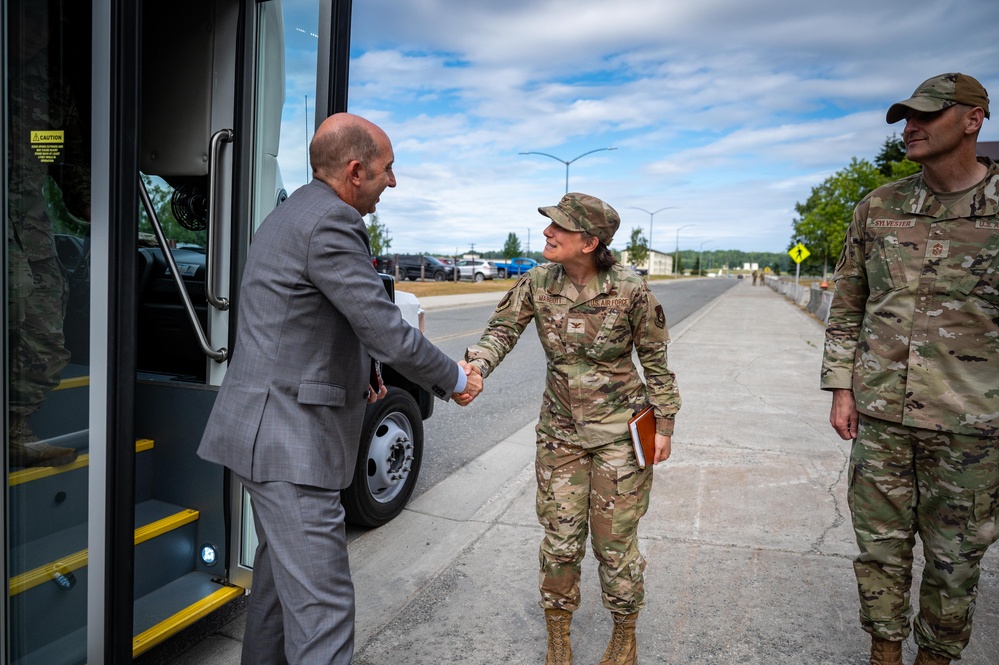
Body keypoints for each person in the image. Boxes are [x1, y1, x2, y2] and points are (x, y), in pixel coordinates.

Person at [197, 112, 482, 665]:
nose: (392, 182)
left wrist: (363, 367)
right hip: (289, 443)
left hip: (266, 431)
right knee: (324, 615)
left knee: (279, 596)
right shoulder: (331, 222)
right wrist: (453, 377)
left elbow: (307, 318)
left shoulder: (292, 212)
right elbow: (382, 324)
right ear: (356, 171)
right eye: (388, 169)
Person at [821, 73, 998, 665]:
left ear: (973, 120)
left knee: (955, 561)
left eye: (926, 115)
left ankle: (935, 658)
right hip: (881, 417)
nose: (909, 127)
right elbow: (848, 304)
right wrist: (841, 387)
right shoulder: (880, 208)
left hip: (974, 428)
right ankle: (884, 652)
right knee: (879, 551)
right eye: (904, 118)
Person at [463, 193, 680, 665]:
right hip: (560, 434)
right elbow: (501, 330)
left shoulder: (630, 290)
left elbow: (657, 363)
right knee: (560, 541)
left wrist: (664, 424)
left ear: (590, 242)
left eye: (559, 227)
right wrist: (476, 365)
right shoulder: (538, 281)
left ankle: (625, 633)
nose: (547, 232)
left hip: (621, 438)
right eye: (549, 225)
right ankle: (558, 632)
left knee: (614, 544)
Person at [7, 1, 90, 467]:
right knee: (13, 292)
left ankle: (15, 428)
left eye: (46, 23)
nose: (39, 32)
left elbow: (61, 153)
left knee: (47, 328)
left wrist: (83, 198)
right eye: (30, 19)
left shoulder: (49, 89)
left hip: (31, 220)